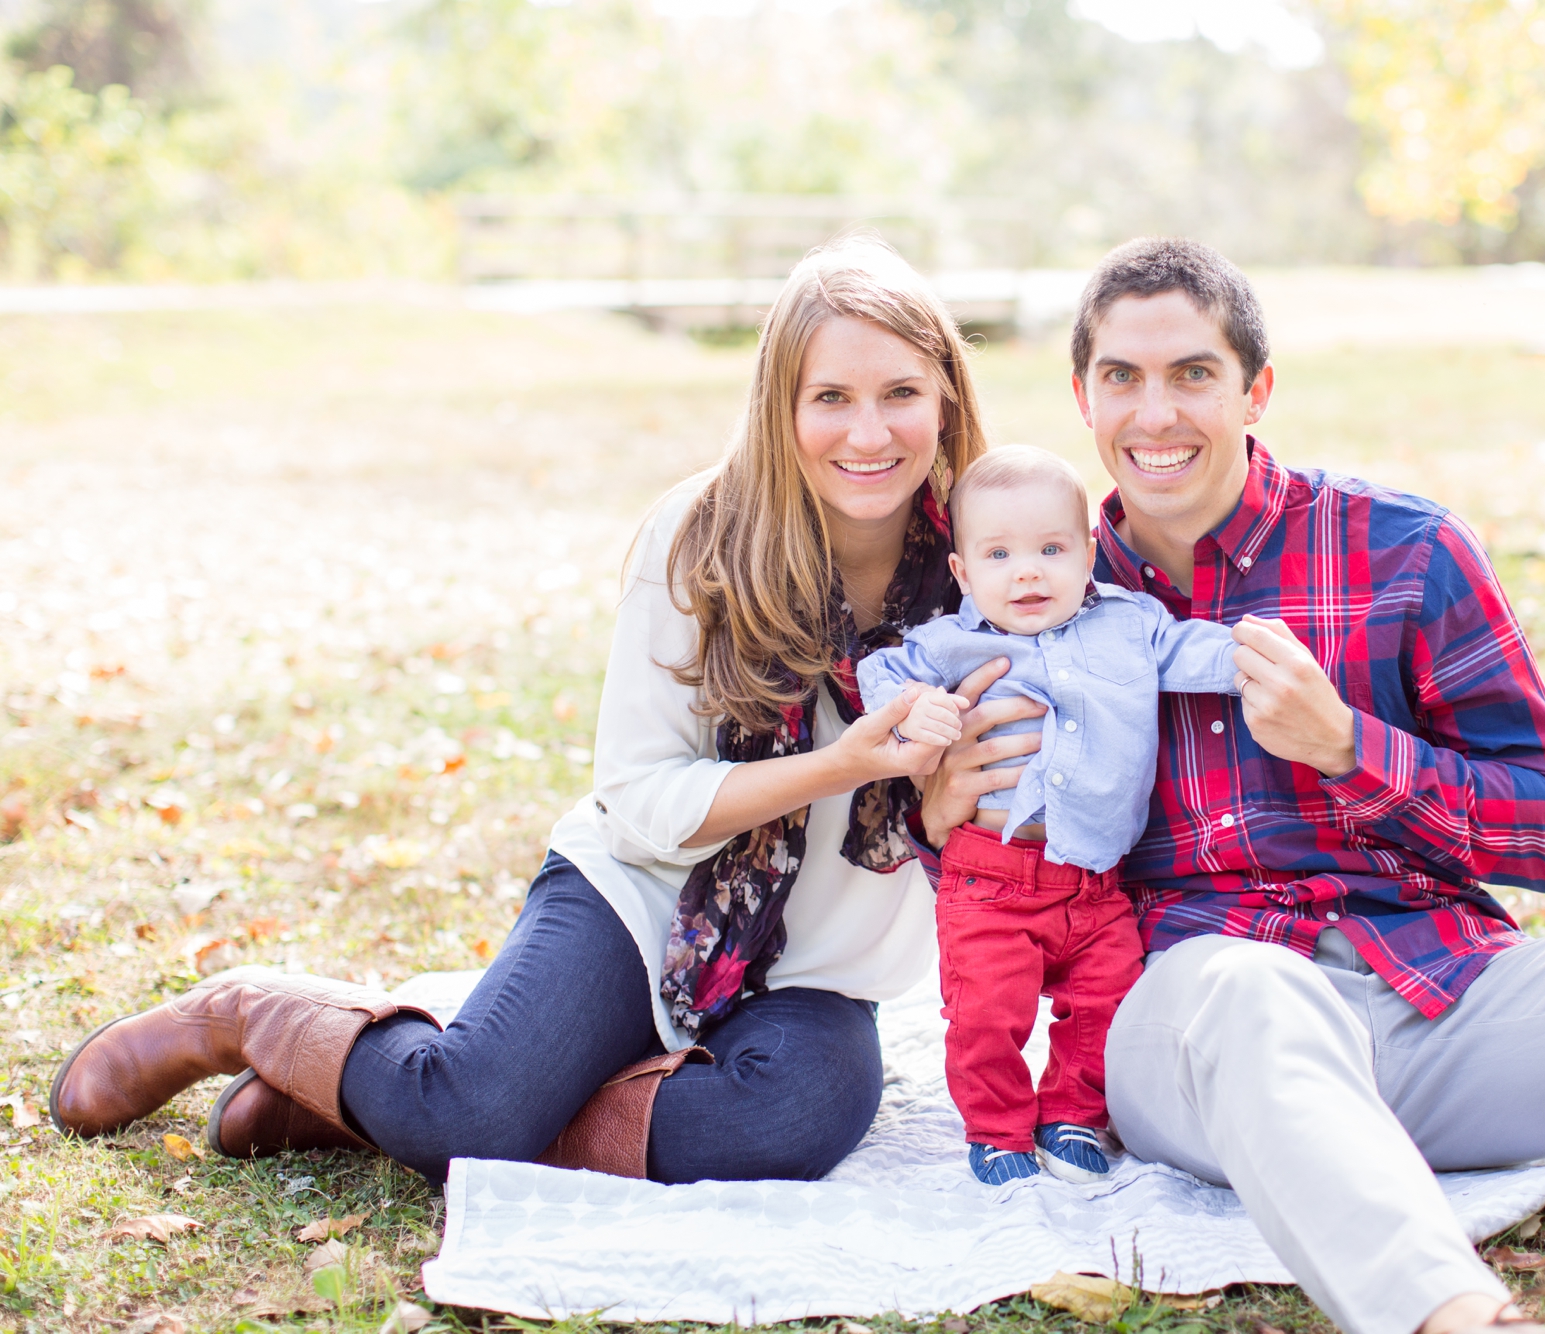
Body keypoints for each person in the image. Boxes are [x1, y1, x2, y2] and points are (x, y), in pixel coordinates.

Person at [915, 239, 1545, 1334]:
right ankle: (1456, 1318)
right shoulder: (1028, 589)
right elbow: (981, 877)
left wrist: (1348, 747)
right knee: (1247, 987)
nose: (1156, 413)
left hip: (1435, 998)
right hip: (1202, 1030)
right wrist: (940, 807)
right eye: (1121, 378)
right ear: (1082, 397)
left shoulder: (1401, 550)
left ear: (1255, 389)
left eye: (1192, 373)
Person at [49, 237, 996, 1187]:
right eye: (830, 397)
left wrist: (948, 815)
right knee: (482, 1108)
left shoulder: (997, 568)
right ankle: (250, 1015)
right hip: (644, 897)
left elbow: (1004, 827)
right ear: (779, 406)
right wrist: (846, 764)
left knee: (793, 1118)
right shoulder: (705, 538)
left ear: (946, 395)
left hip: (819, 968)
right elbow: (638, 799)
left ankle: (397, 1102)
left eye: (901, 393)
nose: (869, 434)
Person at [857, 445, 1240, 1185]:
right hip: (988, 877)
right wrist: (918, 710)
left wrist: (1259, 657)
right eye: (999, 554)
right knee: (986, 1014)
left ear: (1089, 555)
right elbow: (884, 674)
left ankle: (1072, 1114)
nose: (1027, 571)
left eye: (1051, 549)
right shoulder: (949, 643)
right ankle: (997, 1130)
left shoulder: (1131, 627)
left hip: (1095, 878)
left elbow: (1198, 652)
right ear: (964, 572)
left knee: (1105, 1001)